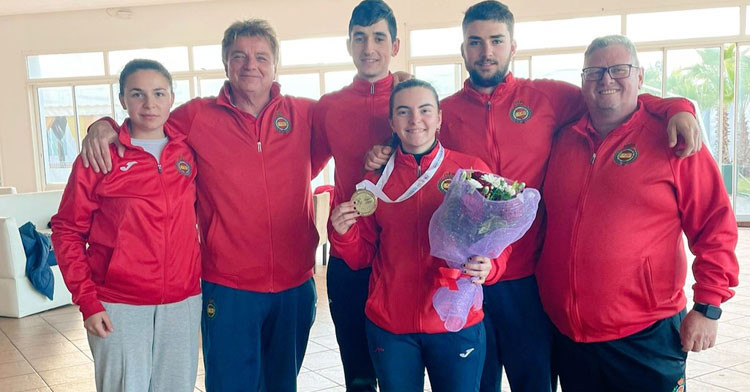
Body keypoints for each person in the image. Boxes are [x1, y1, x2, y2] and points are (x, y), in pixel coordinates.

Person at [364, 2, 702, 391]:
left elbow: (614, 97)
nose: (485, 52)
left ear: (513, 46)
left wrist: (677, 107)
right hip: (466, 278)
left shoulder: (548, 98)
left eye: (496, 41)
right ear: (463, 50)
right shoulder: (446, 112)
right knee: (477, 384)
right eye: (475, 42)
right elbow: (414, 136)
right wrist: (386, 147)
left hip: (531, 280)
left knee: (534, 383)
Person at [79, 20, 319, 392]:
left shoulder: (305, 114)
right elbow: (145, 122)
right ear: (225, 62)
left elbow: (361, 123)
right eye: (239, 56)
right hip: (229, 286)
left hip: (294, 286)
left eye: (261, 57)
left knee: (282, 384)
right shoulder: (194, 117)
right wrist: (105, 124)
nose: (249, 65)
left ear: (275, 65)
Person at [537, 34, 739, 392]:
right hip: (569, 335)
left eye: (619, 69)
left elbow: (715, 226)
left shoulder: (674, 138)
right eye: (595, 72)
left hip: (645, 334)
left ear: (640, 76)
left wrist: (708, 306)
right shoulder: (563, 138)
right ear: (583, 80)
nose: (606, 80)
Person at [330, 78, 510, 392]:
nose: (415, 120)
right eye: (404, 111)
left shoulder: (470, 172)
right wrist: (344, 234)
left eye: (425, 110)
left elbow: (501, 237)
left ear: (439, 118)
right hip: (391, 326)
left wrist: (491, 267)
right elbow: (362, 257)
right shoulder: (375, 180)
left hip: (455, 322)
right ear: (391, 122)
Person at [51, 59, 201, 392]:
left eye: (159, 93)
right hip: (118, 305)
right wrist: (88, 302)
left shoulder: (188, 152)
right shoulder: (100, 155)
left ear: (172, 98)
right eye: (137, 94)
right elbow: (66, 231)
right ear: (122, 100)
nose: (149, 104)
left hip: (182, 302)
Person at [311, 1, 401, 390]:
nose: (369, 47)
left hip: (403, 254)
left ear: (394, 45)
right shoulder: (329, 107)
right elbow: (294, 166)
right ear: (348, 45)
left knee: (402, 368)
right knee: (358, 372)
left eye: (379, 37)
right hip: (350, 253)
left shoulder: (415, 99)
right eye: (360, 38)